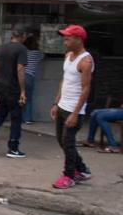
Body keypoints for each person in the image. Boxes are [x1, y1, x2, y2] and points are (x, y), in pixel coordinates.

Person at [50, 25, 94, 189]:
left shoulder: (86, 61)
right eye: (65, 38)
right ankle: (82, 169)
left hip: (74, 109)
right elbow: (64, 80)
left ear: (79, 39)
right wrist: (56, 102)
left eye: (68, 38)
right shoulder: (68, 56)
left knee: (68, 143)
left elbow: (85, 89)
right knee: (61, 141)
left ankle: (69, 175)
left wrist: (75, 113)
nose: (65, 41)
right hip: (62, 105)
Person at [0, 26, 28, 158]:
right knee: (16, 117)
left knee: (1, 112)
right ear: (22, 36)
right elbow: (20, 69)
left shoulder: (1, 48)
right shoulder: (21, 49)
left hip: (0, 86)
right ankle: (13, 147)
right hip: (13, 88)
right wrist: (23, 91)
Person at [22, 32, 44, 124]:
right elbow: (43, 57)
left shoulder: (23, 52)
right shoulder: (37, 53)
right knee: (29, 98)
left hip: (21, 75)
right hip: (30, 76)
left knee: (20, 97)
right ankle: (28, 118)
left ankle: (20, 117)